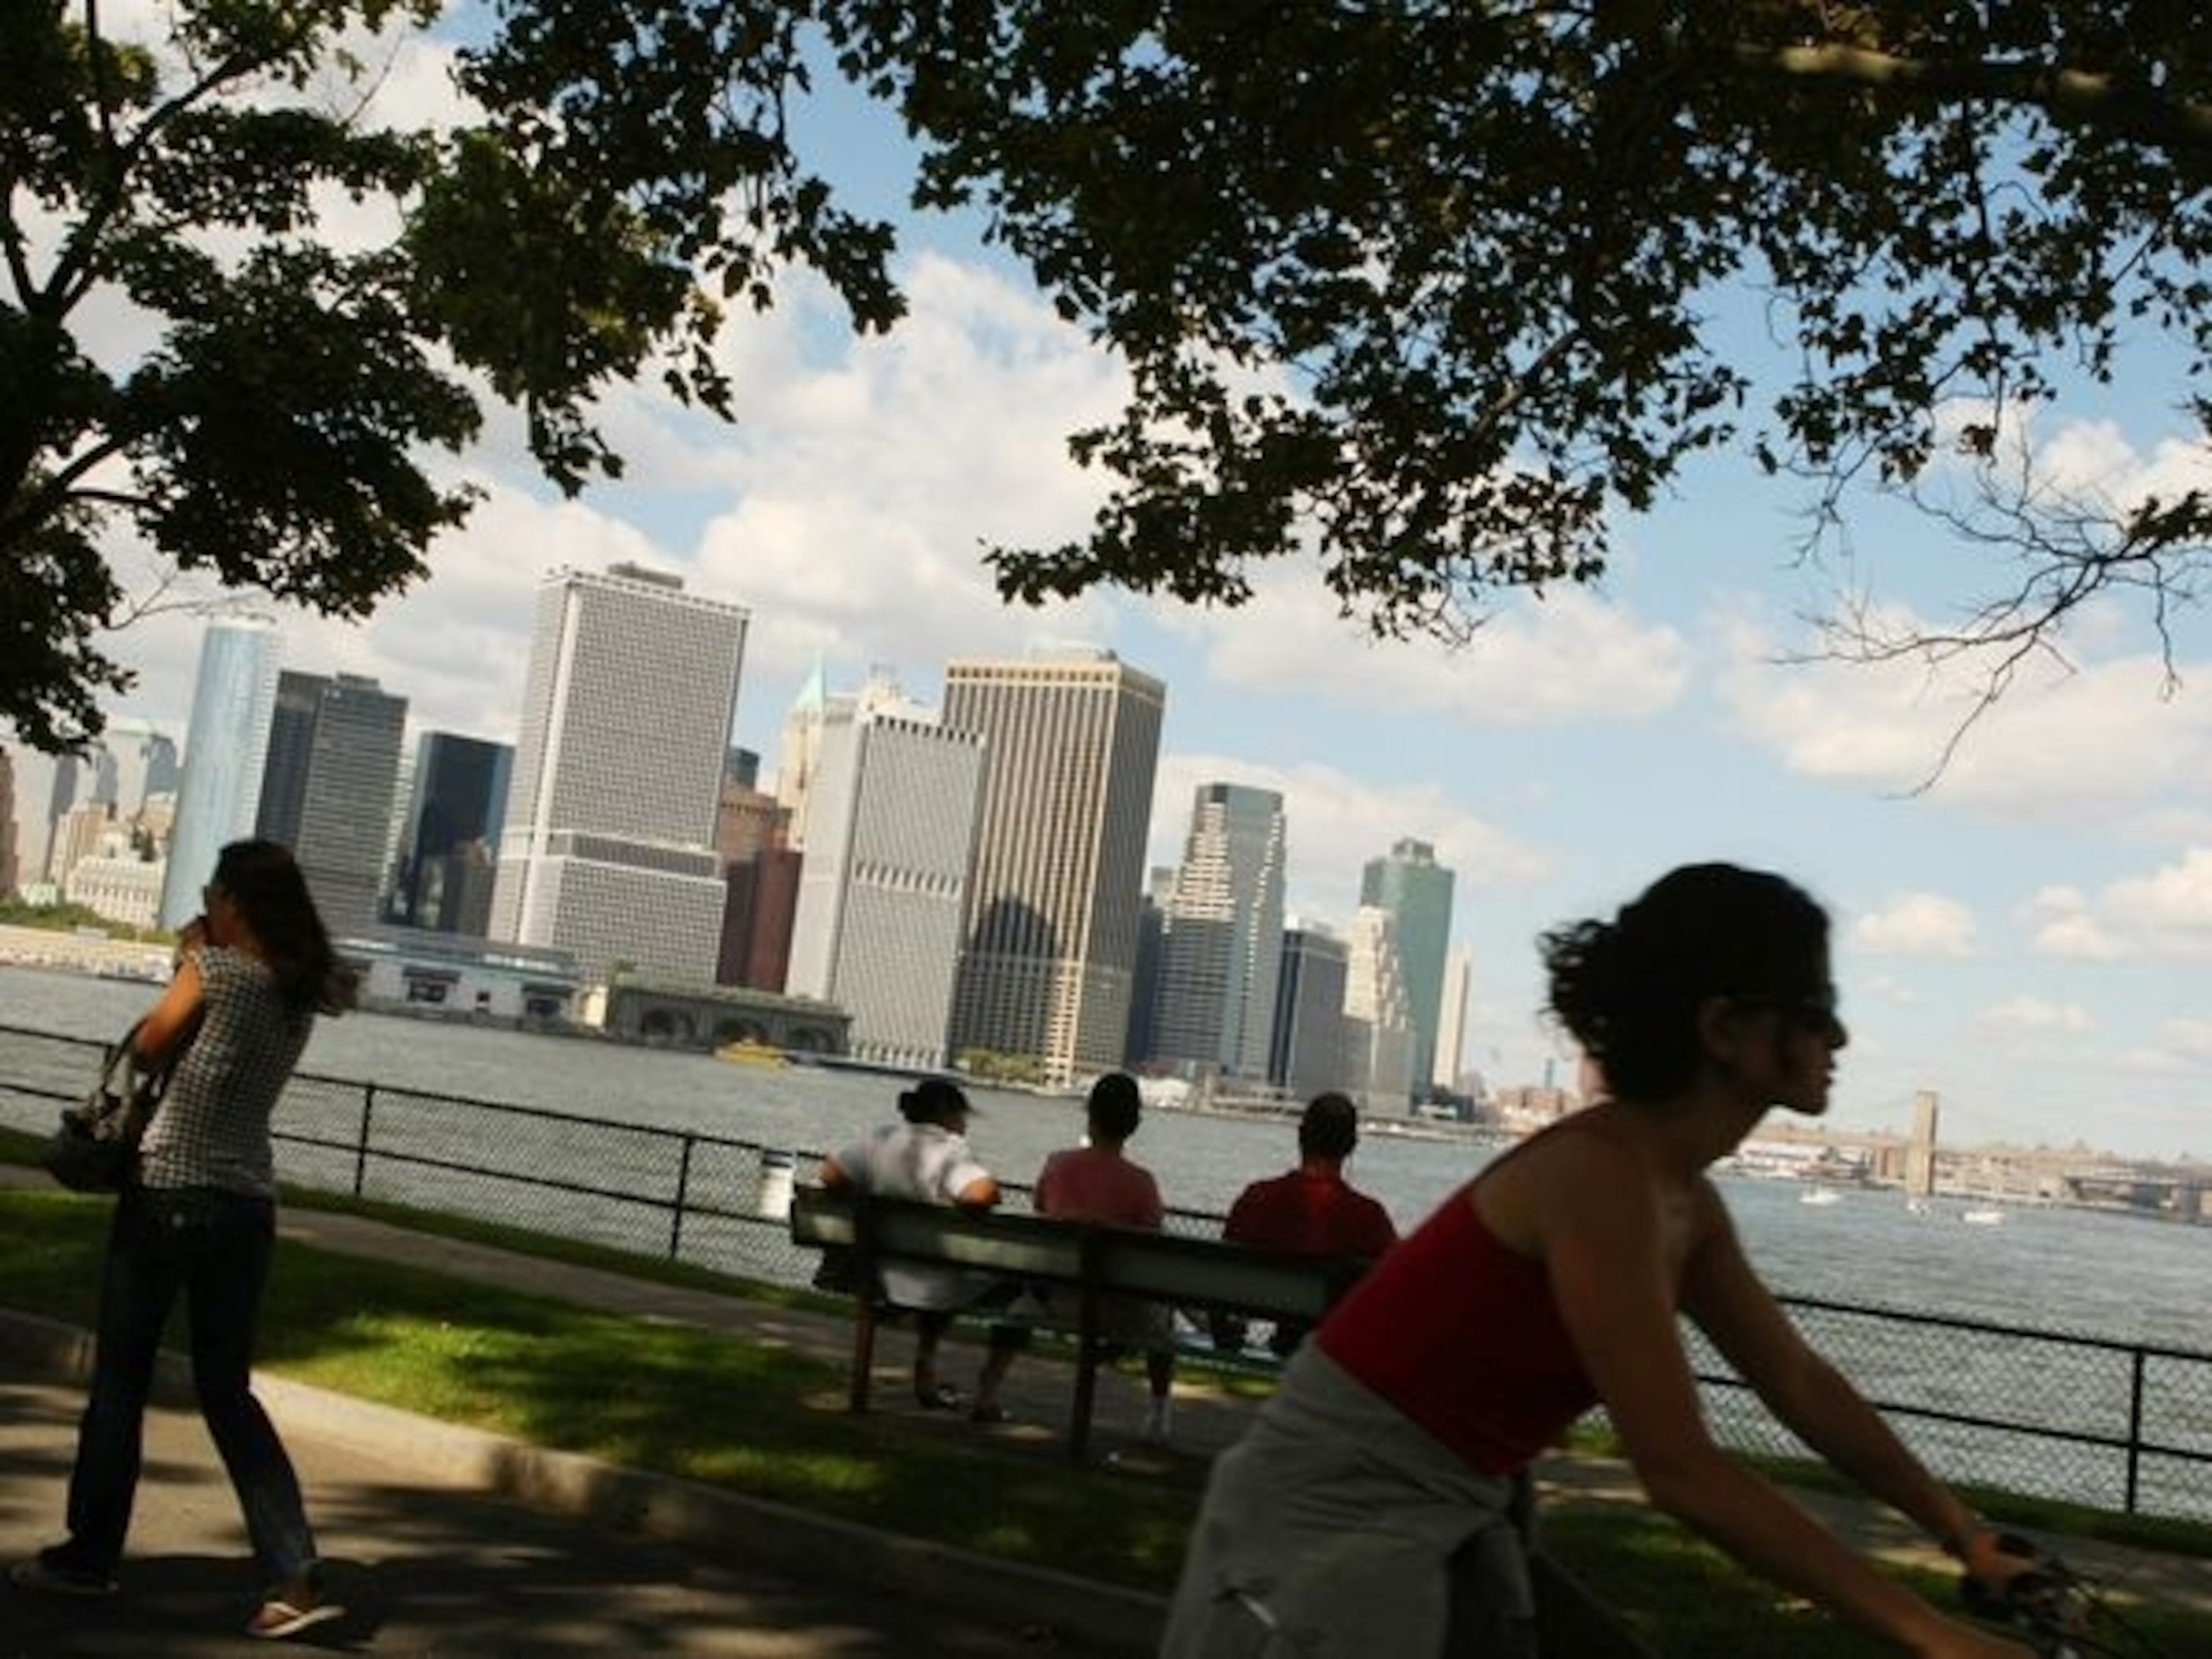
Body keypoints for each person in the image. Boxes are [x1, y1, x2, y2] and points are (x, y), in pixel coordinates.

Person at [1161, 862, 2040, 1658]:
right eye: (1813, 1008)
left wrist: (1962, 1533)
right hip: (1327, 1531)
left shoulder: (1680, 1200)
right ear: (1725, 1027)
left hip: (1451, 1515)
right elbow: (1680, 1469)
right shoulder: (1599, 1178)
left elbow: (1800, 1386)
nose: (1839, 1036)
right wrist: (1929, 1635)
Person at [13, 840, 353, 1641]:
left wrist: (187, 966)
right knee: (227, 1390)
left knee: (121, 1381)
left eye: (213, 893)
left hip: (169, 1190)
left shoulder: (220, 972)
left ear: (233, 901)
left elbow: (147, 1047)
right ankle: (292, 1568)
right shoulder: (299, 994)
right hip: (248, 1203)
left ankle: (89, 1557)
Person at [979, 1071, 1177, 1442]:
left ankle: (987, 1389)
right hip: (1120, 1309)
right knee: (1165, 1321)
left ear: (1089, 1115)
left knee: (1018, 1310)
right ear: (1134, 1125)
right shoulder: (1142, 1183)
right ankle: (1159, 1414)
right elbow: (1153, 1247)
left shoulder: (1057, 1166)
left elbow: (1041, 1213)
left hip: (1055, 1299)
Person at [817, 1076, 1026, 1413]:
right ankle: (984, 1392)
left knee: (939, 1272)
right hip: (934, 1286)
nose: (964, 1125)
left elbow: (829, 1175)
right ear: (947, 1113)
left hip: (875, 1273)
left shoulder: (880, 1139)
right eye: (963, 1117)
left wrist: (863, 1201)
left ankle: (909, 1369)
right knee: (1013, 1288)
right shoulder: (950, 1149)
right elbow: (982, 1194)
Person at [1218, 1090, 1398, 1356]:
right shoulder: (1369, 1218)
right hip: (1333, 1348)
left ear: (1301, 1136)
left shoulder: (1256, 1198)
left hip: (1260, 1316)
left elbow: (1223, 1268)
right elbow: (1392, 1287)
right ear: (1351, 1146)